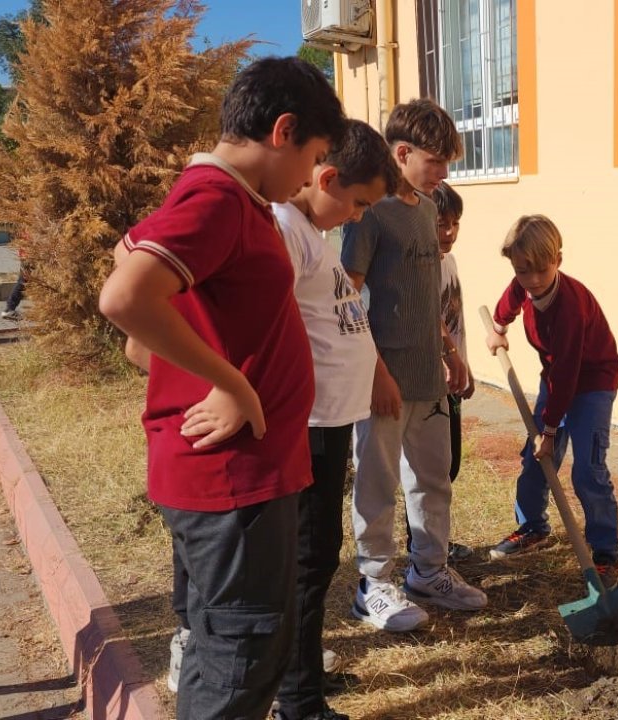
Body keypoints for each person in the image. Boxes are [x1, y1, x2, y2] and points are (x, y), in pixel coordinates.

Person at [98, 57, 345, 720]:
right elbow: (124, 295)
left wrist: (177, 356)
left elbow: (133, 274)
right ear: (284, 131)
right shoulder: (217, 200)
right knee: (241, 657)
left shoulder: (231, 199)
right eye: (313, 158)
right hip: (233, 484)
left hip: (248, 478)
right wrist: (231, 384)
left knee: (234, 649)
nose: (305, 183)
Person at [342, 99, 486, 634]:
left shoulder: (427, 208)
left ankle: (429, 572)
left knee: (431, 481)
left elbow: (426, 294)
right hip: (382, 383)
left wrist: (451, 350)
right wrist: (376, 372)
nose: (445, 172)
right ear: (402, 153)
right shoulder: (369, 214)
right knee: (377, 484)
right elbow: (349, 301)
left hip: (429, 377)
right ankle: (373, 584)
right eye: (437, 161)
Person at [269, 119, 397, 720]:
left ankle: (305, 674)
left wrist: (372, 373)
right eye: (359, 203)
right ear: (325, 179)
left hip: (331, 424)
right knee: (308, 562)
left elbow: (338, 318)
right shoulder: (287, 230)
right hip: (309, 428)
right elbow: (272, 328)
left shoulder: (310, 231)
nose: (358, 217)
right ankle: (299, 701)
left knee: (317, 562)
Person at [484, 215, 618, 581]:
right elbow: (509, 301)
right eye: (522, 271)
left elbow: (568, 372)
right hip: (557, 379)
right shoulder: (523, 285)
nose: (531, 281)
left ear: (558, 260)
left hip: (592, 383)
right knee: (534, 460)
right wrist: (498, 328)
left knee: (587, 470)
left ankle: (607, 550)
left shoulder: (570, 306)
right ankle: (533, 526)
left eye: (540, 271)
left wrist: (549, 431)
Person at [401, 181, 475, 561]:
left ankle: (434, 538)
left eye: (455, 223)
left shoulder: (450, 261)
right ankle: (420, 542)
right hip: (430, 378)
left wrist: (465, 364)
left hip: (452, 376)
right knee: (427, 469)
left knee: (449, 465)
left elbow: (454, 320)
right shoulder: (423, 264)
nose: (449, 232)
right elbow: (431, 318)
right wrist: (449, 357)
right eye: (441, 223)